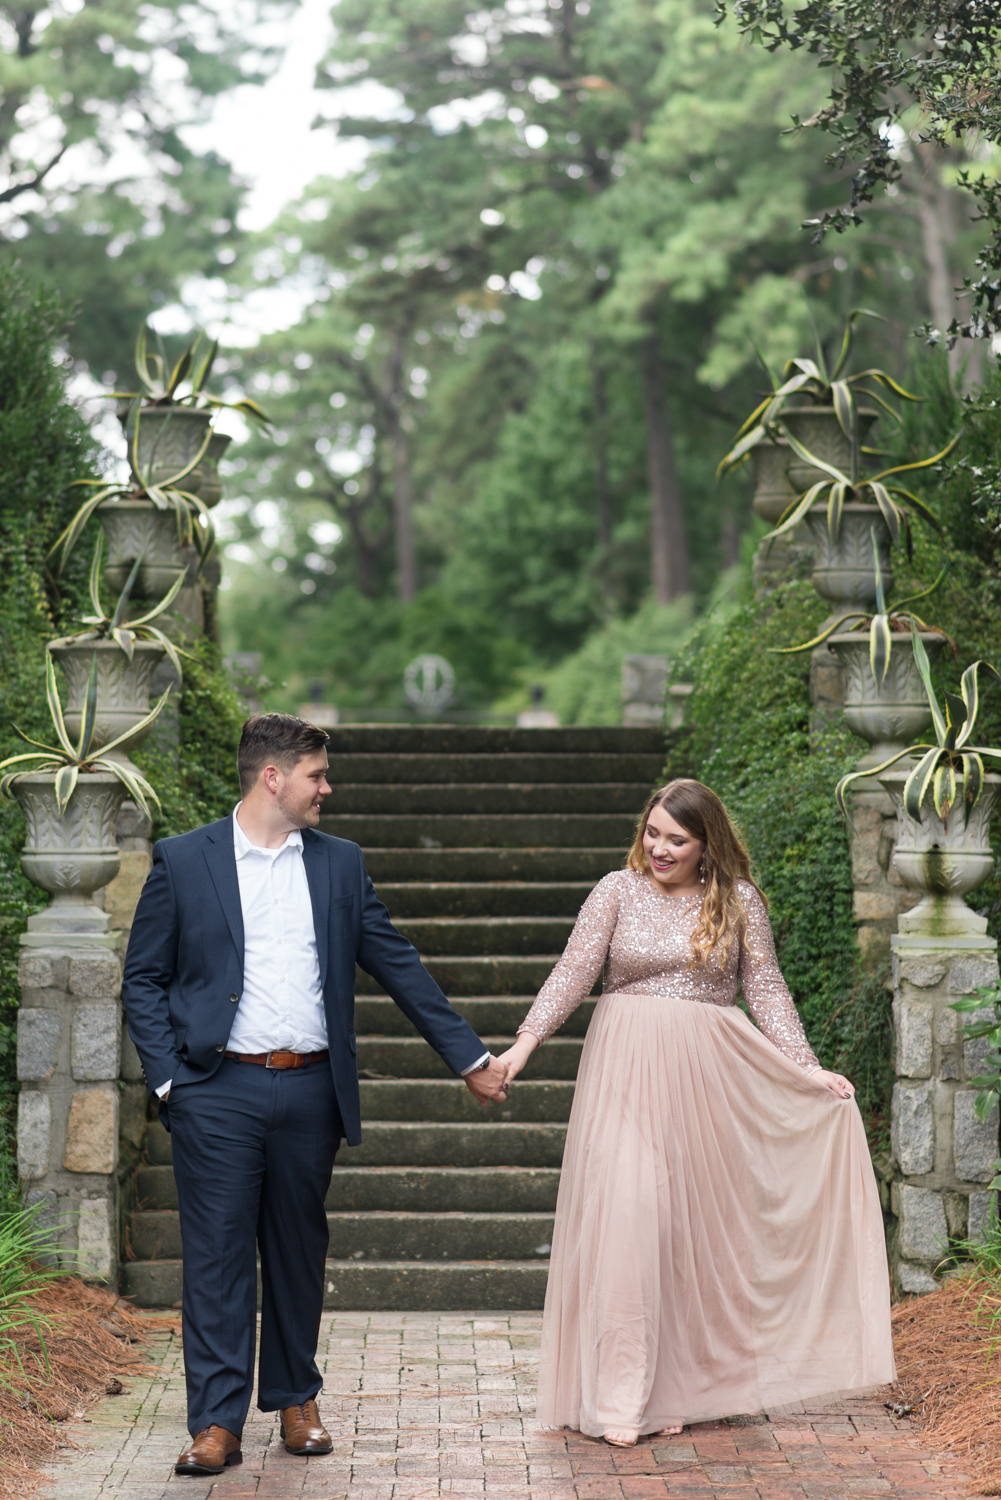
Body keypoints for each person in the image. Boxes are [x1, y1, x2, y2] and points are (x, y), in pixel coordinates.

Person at [122, 713, 510, 1477]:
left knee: (298, 1247)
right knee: (217, 1258)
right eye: (316, 776)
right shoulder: (183, 859)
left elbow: (396, 963)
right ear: (274, 777)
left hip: (309, 1088)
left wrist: (467, 1055)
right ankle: (215, 1423)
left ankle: (297, 1399)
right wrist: (171, 1081)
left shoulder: (338, 864)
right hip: (216, 1089)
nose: (325, 788)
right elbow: (142, 977)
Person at [498, 778, 895, 1447]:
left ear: (706, 843)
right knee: (632, 1216)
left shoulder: (738, 901)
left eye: (675, 839)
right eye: (651, 832)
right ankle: (621, 1397)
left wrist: (804, 1069)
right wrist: (521, 1048)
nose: (657, 848)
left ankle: (682, 1386)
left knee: (692, 1231)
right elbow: (571, 973)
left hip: (710, 1082)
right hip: (624, 1072)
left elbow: (763, 987)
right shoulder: (615, 891)